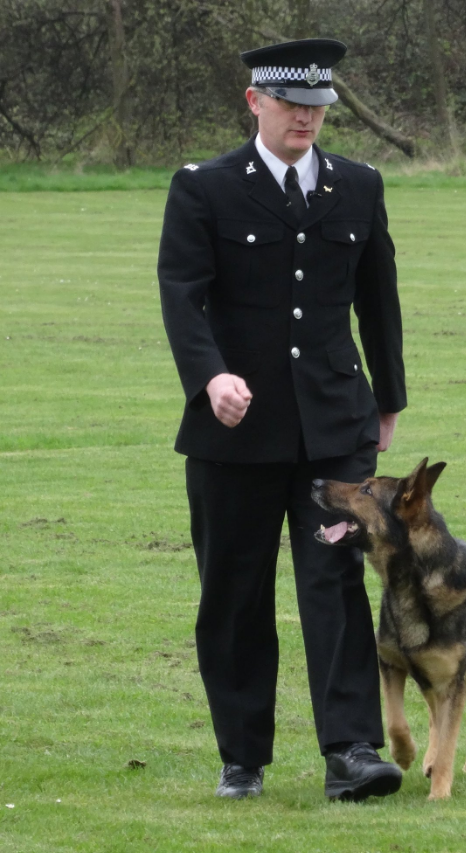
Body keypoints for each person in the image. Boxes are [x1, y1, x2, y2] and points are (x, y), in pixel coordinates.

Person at [156, 38, 407, 802]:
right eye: (292, 105)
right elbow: (181, 291)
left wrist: (388, 396)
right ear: (255, 102)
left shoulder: (358, 186)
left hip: (335, 422)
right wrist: (210, 378)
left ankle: (352, 750)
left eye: (318, 106)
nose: (306, 117)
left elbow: (378, 295)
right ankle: (243, 757)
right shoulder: (205, 188)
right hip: (236, 429)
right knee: (232, 593)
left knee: (335, 581)